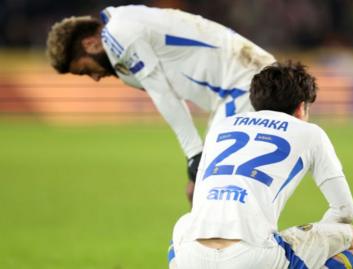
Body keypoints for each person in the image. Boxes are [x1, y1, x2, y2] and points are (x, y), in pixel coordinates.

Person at [45, 5, 276, 201]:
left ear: (91, 44)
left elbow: (162, 92)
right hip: (238, 87)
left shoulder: (117, 34)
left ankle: (249, 249)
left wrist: (194, 154)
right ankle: (226, 249)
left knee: (219, 188)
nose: (94, 78)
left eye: (86, 70)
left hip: (243, 84)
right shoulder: (123, 24)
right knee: (202, 191)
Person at [168, 61, 353, 269]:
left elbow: (198, 197)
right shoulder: (311, 133)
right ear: (300, 108)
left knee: (184, 224)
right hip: (254, 256)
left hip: (191, 256)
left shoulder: (219, 128)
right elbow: (344, 211)